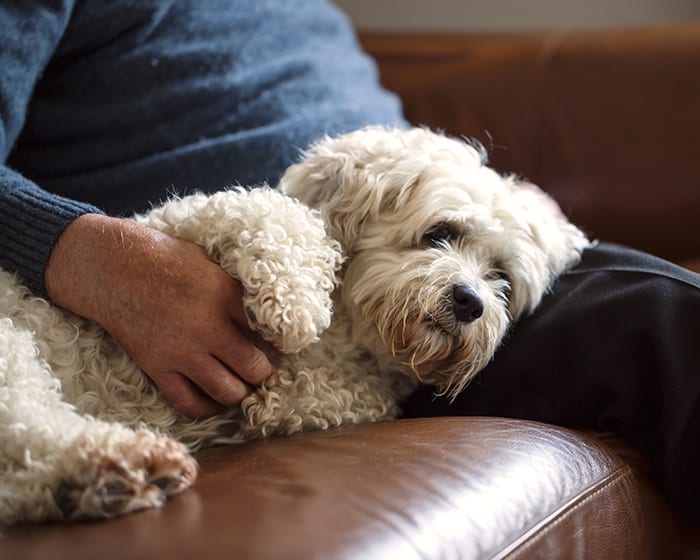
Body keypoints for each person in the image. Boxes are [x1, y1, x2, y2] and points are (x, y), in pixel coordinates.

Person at [1, 0, 698, 522]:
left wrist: (503, 213)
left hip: (442, 240)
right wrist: (80, 251)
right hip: (264, 272)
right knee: (666, 324)